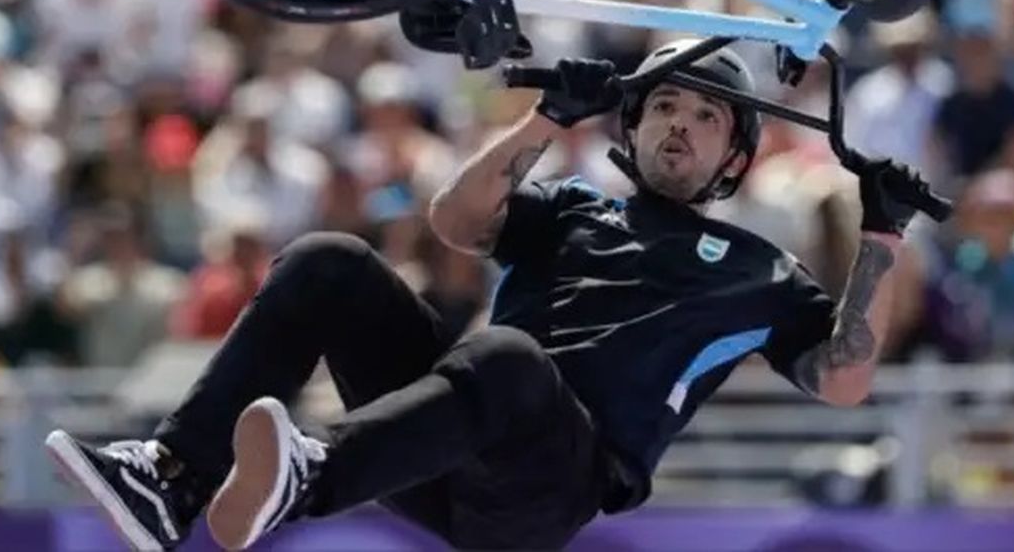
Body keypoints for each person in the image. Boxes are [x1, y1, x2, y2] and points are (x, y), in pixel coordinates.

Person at [45, 39, 928, 551]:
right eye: (664, 106)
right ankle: (169, 477)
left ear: (736, 158)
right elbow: (455, 220)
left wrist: (880, 239)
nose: (679, 127)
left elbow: (843, 380)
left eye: (705, 119)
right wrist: (547, 119)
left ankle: (314, 471)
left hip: (539, 495)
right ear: (635, 123)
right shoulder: (578, 208)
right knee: (326, 261)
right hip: (436, 446)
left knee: (508, 357)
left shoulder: (759, 271)